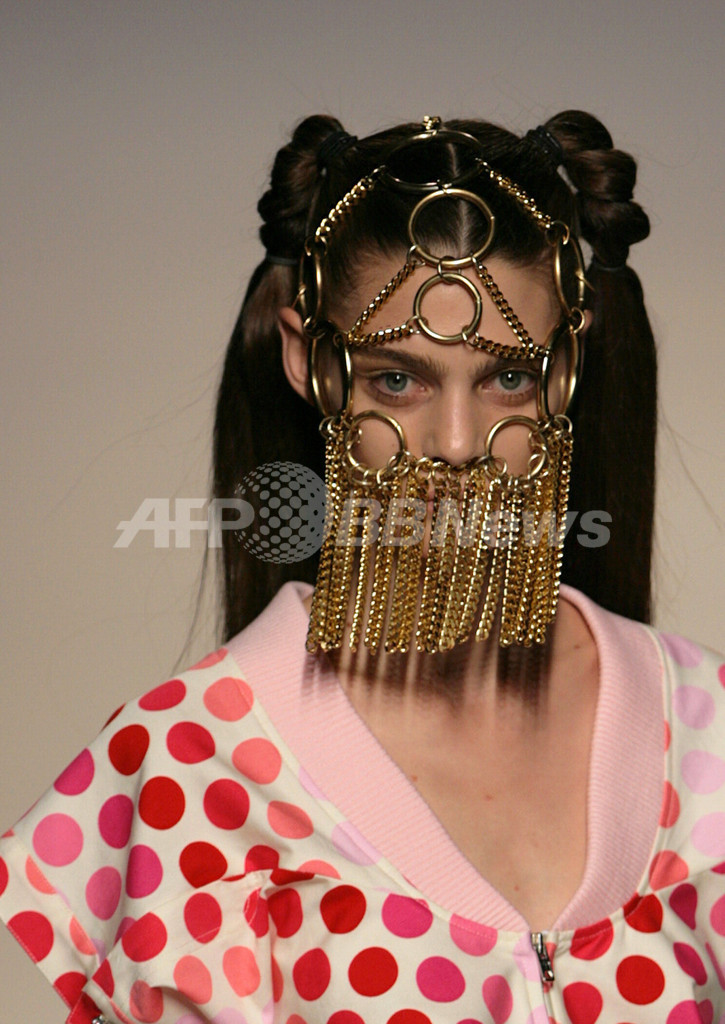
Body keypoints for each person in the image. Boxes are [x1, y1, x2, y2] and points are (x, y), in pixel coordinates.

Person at [1, 111, 723, 1024]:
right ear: (307, 361)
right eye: (397, 379)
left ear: (568, 364)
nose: (455, 444)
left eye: (506, 377)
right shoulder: (190, 764)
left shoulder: (705, 730)